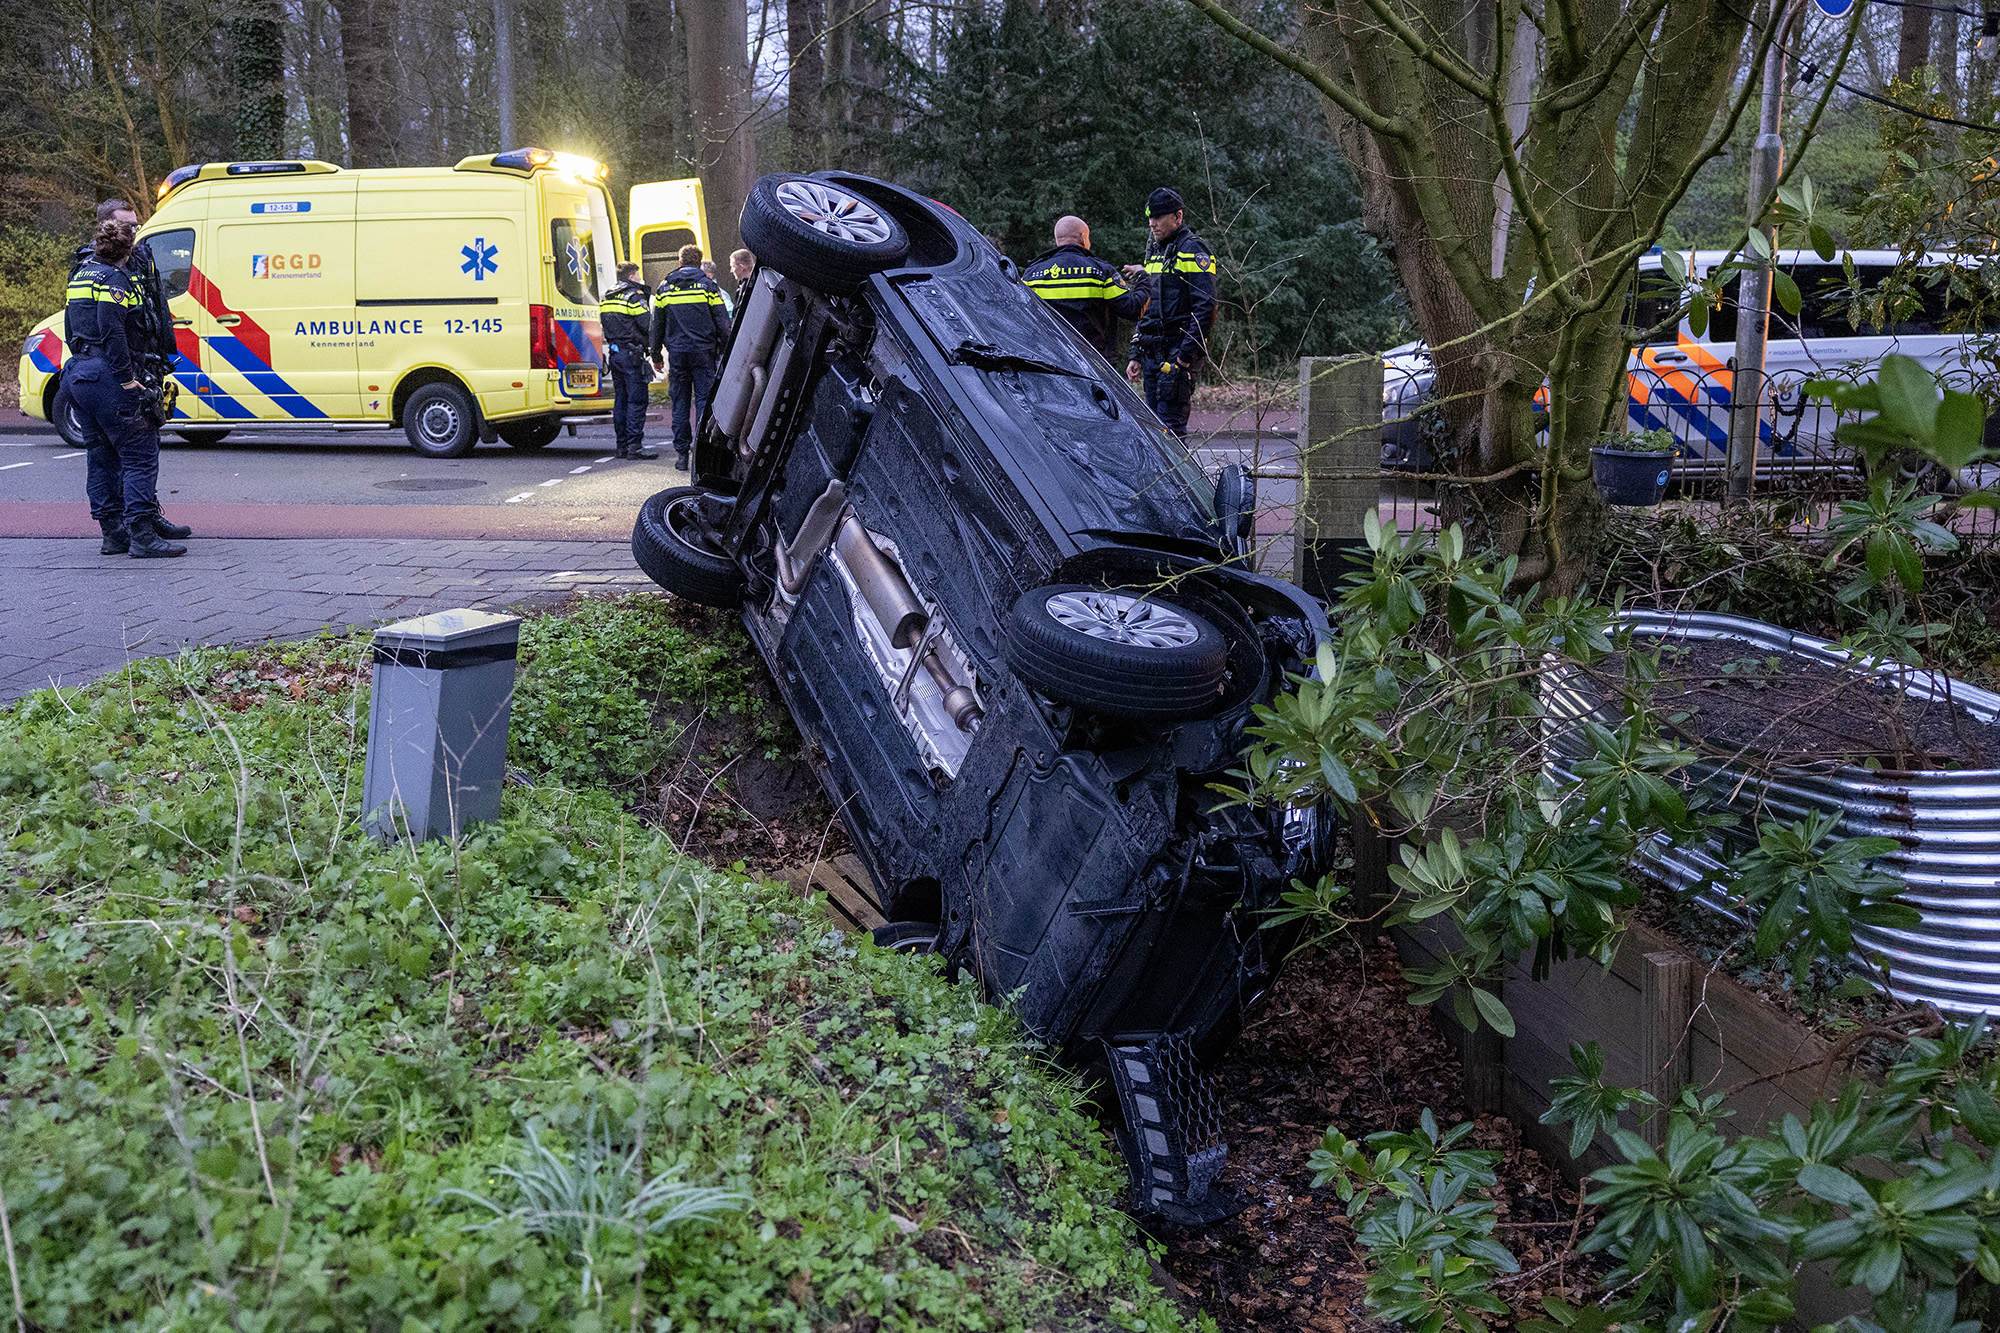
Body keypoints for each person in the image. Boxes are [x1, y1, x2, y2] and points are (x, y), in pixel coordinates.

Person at [71, 198, 191, 545]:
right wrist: (127, 377)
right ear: (109, 227)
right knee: (139, 452)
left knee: (102, 454)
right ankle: (140, 533)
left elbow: (155, 305)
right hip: (116, 370)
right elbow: (113, 329)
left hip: (87, 369)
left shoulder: (90, 270)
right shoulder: (113, 276)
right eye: (129, 226)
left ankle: (117, 533)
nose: (135, 232)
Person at [1123, 187, 1217, 440]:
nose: (1152, 223)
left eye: (1159, 217)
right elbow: (1149, 307)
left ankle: (1180, 482)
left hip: (1177, 354)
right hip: (1152, 353)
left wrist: (1184, 359)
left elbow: (1206, 307)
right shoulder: (1157, 251)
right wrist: (1136, 354)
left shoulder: (1193, 250)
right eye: (1150, 218)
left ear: (1178, 216)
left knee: (1170, 434)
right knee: (1154, 433)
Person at [649, 244, 733, 471]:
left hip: (677, 354)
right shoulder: (708, 286)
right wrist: (727, 351)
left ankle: (681, 455)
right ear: (699, 262)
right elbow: (723, 323)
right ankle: (701, 453)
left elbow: (656, 325)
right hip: (704, 353)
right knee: (705, 402)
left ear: (680, 262)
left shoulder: (664, 288)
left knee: (679, 402)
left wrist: (655, 354)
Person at [1021, 215, 1149, 364]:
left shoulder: (1032, 275)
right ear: (1083, 238)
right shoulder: (1100, 272)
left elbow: (1021, 321)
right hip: (1094, 365)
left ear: (1058, 240)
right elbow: (1134, 309)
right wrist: (1144, 278)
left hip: (1049, 364)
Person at [598, 262, 656, 460]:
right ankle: (635, 446)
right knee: (637, 400)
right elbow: (646, 325)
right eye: (638, 276)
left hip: (615, 354)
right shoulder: (634, 296)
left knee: (620, 400)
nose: (640, 279)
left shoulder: (607, 296)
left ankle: (621, 446)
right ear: (631, 276)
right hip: (632, 355)